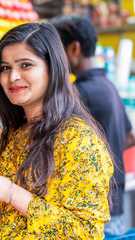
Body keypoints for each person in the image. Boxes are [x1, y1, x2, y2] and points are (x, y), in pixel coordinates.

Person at [0, 22, 114, 239]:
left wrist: (10, 192)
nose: (12, 77)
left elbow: (85, 233)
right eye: (5, 68)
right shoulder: (14, 134)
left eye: (25, 65)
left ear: (52, 69)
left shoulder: (79, 140)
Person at [52, 15, 135, 235]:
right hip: (111, 203)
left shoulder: (78, 94)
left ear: (74, 48)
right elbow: (129, 137)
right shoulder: (107, 86)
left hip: (92, 207)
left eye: (56, 50)